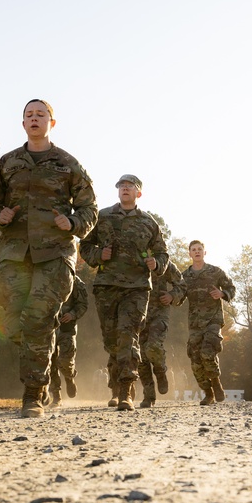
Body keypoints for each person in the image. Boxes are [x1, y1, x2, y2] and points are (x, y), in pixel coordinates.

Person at [0, 99, 98, 418]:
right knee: (17, 322)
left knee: (39, 319)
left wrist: (72, 223)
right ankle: (45, 354)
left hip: (55, 256)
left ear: (52, 123)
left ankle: (33, 393)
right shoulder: (7, 164)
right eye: (29, 115)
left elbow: (90, 208)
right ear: (22, 124)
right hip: (14, 256)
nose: (34, 119)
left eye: (40, 115)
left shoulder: (68, 163)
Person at [80, 174, 168, 411]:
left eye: (130, 186)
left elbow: (162, 253)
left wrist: (156, 264)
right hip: (106, 286)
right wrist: (99, 256)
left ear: (139, 193)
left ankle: (126, 391)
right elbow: (85, 245)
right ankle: (115, 387)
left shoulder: (149, 222)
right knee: (112, 341)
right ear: (118, 191)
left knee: (128, 335)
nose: (125, 189)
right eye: (121, 186)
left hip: (137, 288)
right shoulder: (103, 217)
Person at [180, 240, 235, 406]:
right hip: (195, 323)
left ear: (205, 253)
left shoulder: (215, 272)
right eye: (194, 250)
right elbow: (179, 295)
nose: (197, 252)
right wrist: (170, 298)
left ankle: (216, 383)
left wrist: (222, 293)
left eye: (200, 249)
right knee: (195, 359)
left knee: (207, 353)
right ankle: (208, 393)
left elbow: (231, 288)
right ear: (189, 253)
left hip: (213, 320)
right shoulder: (184, 276)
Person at [138, 259, 186, 407]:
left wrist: (172, 296)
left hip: (159, 313)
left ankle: (160, 370)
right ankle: (148, 395)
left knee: (153, 346)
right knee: (140, 355)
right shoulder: (133, 260)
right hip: (136, 313)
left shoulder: (164, 263)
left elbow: (182, 285)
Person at [44, 270, 88, 407]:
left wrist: (72, 314)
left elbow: (83, 305)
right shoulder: (43, 277)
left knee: (65, 360)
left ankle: (69, 377)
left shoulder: (75, 281)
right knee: (49, 361)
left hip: (66, 327)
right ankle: (56, 396)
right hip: (49, 326)